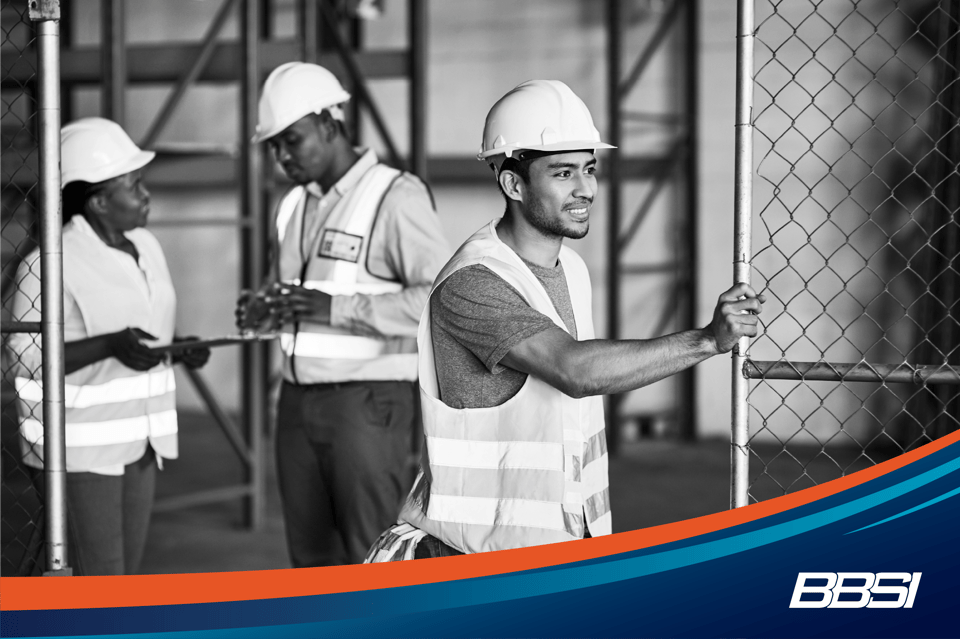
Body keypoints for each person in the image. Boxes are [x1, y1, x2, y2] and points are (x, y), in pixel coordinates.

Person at [366, 80, 764, 561]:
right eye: (563, 173)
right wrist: (705, 341)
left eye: (590, 169)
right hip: (464, 556)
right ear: (513, 184)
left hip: (558, 545)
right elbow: (574, 371)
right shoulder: (471, 282)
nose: (586, 189)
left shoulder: (570, 269)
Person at [235, 62, 450, 567]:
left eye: (292, 140)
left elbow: (441, 297)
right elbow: (293, 292)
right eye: (273, 146)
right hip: (295, 403)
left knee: (369, 554)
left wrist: (339, 309)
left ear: (330, 124)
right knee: (310, 558)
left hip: (367, 404)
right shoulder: (291, 206)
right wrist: (267, 308)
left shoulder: (395, 196)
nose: (281, 156)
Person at [8, 117, 211, 575]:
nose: (146, 195)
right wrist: (107, 346)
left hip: (141, 441)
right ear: (98, 201)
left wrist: (178, 347)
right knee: (101, 580)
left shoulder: (146, 246)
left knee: (122, 577)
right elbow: (23, 358)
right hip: (78, 450)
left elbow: (145, 328)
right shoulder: (49, 264)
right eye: (134, 186)